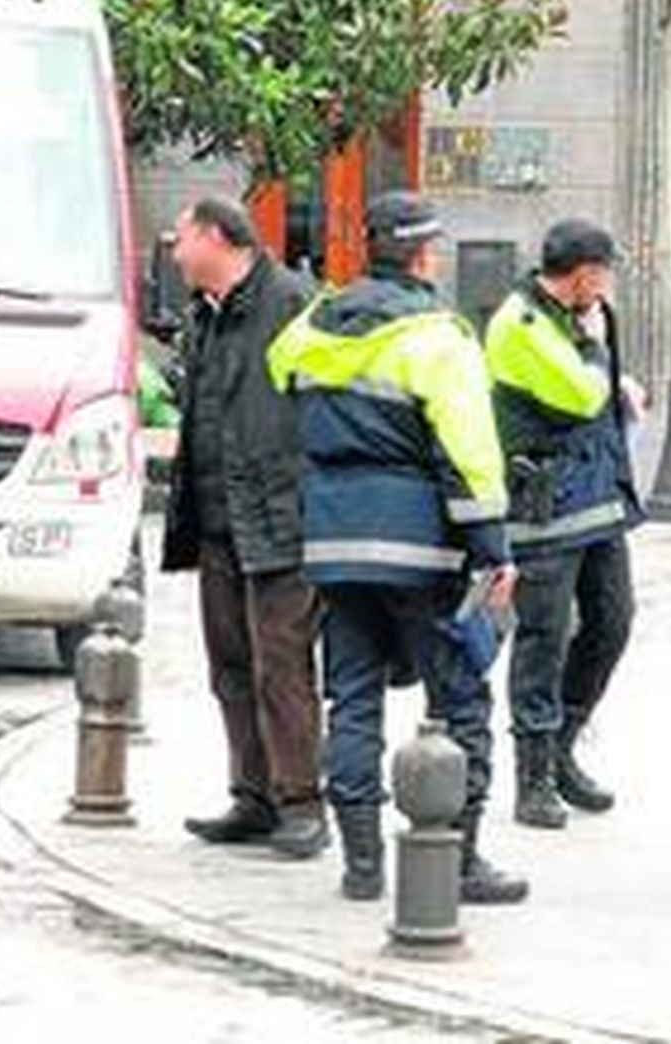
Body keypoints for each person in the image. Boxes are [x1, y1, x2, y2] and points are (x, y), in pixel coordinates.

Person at [267, 192, 527, 904]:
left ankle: (360, 866)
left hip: (335, 542)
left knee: (351, 696)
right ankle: (459, 859)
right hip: (422, 548)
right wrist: (493, 548)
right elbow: (470, 453)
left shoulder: (314, 323)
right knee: (460, 696)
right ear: (421, 253)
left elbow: (279, 372)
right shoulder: (440, 337)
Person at [161, 197, 328, 859]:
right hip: (218, 520)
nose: (173, 253)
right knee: (229, 664)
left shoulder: (292, 301)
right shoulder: (205, 313)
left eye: (181, 239)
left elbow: (323, 406)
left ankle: (302, 801)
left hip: (281, 518)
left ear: (214, 238)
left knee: (281, 665)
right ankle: (252, 795)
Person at [484, 219, 644, 831]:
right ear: (582, 273)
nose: (606, 286)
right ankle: (534, 776)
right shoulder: (519, 323)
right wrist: (600, 351)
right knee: (542, 640)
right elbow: (580, 396)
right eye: (603, 273)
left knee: (612, 620)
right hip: (545, 509)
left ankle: (564, 742)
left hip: (597, 499)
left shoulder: (578, 315)